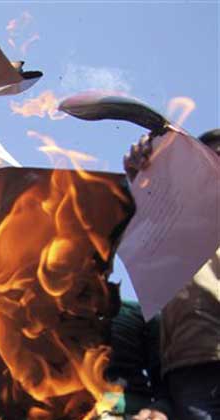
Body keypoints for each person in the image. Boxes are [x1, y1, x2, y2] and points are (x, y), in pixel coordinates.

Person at [124, 129, 220, 420]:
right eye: (211, 159)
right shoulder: (173, 222)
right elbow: (149, 204)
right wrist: (143, 172)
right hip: (192, 368)